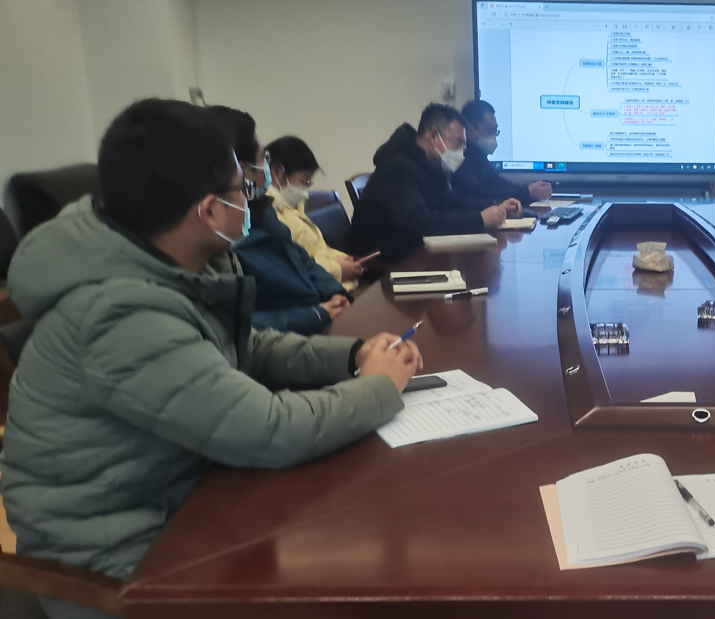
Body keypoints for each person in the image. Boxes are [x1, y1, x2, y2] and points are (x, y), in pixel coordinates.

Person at [0, 100, 421, 616]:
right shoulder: (118, 314)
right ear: (210, 211)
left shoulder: (174, 261)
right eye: (243, 189)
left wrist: (353, 355)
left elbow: (247, 347)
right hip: (121, 565)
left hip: (183, 501)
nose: (253, 199)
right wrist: (377, 388)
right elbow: (269, 430)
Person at [208, 106, 352, 335]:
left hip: (318, 319)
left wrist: (335, 293)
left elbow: (302, 259)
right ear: (241, 171)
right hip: (293, 336)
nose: (267, 167)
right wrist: (316, 314)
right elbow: (237, 324)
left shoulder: (261, 209)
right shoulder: (223, 237)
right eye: (263, 159)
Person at [349, 103, 523, 263]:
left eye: (464, 146)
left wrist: (496, 207)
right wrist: (480, 219)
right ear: (434, 136)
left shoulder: (430, 164)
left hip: (415, 254)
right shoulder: (396, 167)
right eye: (457, 143)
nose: (461, 153)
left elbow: (451, 201)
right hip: (382, 265)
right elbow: (419, 222)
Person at [265, 135, 364, 291]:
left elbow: (318, 250)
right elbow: (298, 269)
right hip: (323, 292)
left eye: (308, 183)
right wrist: (339, 269)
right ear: (277, 172)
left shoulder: (292, 209)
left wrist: (345, 260)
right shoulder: (271, 216)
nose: (305, 191)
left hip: (334, 286)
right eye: (303, 181)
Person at [454, 99, 552, 206]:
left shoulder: (478, 155)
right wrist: (527, 192)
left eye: (495, 131)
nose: (493, 135)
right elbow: (482, 193)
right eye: (489, 129)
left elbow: (498, 183)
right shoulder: (460, 158)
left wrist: (528, 189)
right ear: (469, 129)